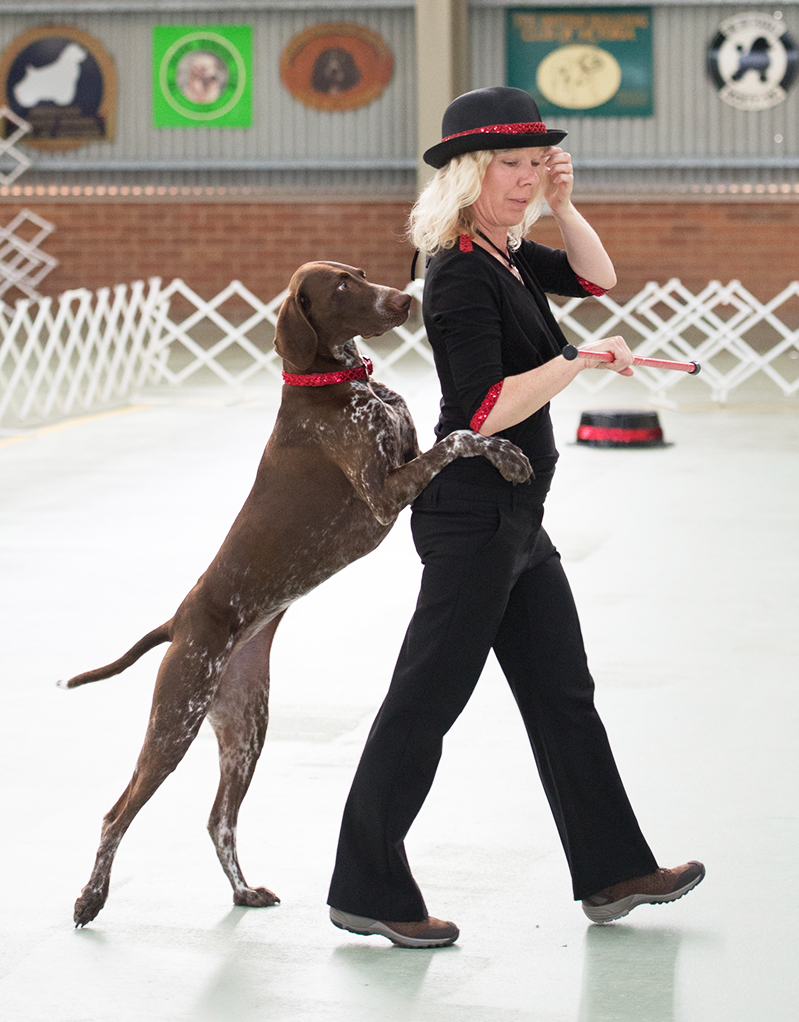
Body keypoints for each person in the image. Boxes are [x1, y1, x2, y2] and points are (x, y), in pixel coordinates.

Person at [327, 87, 704, 949]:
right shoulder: (458, 268)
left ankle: (612, 873)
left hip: (516, 515)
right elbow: (480, 408)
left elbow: (599, 279)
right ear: (468, 173)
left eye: (537, 165)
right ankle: (366, 887)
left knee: (563, 696)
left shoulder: (508, 253)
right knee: (425, 703)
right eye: (511, 166)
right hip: (472, 514)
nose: (526, 181)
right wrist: (571, 362)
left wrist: (566, 210)